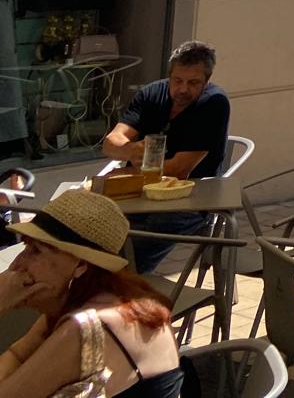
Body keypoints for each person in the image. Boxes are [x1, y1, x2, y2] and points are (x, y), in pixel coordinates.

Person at [0, 189, 183, 395]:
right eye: (25, 247)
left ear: (80, 265)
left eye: (36, 251)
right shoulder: (95, 297)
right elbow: (17, 355)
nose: (17, 264)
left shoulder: (86, 327)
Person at [102, 41, 230, 273]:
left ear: (207, 81)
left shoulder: (213, 103)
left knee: (128, 252)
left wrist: (127, 171)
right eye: (177, 80)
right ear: (169, 76)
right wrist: (130, 150)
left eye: (193, 83)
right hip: (136, 193)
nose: (183, 89)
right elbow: (111, 143)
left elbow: (178, 170)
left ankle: (126, 287)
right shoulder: (152, 93)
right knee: (83, 222)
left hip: (189, 199)